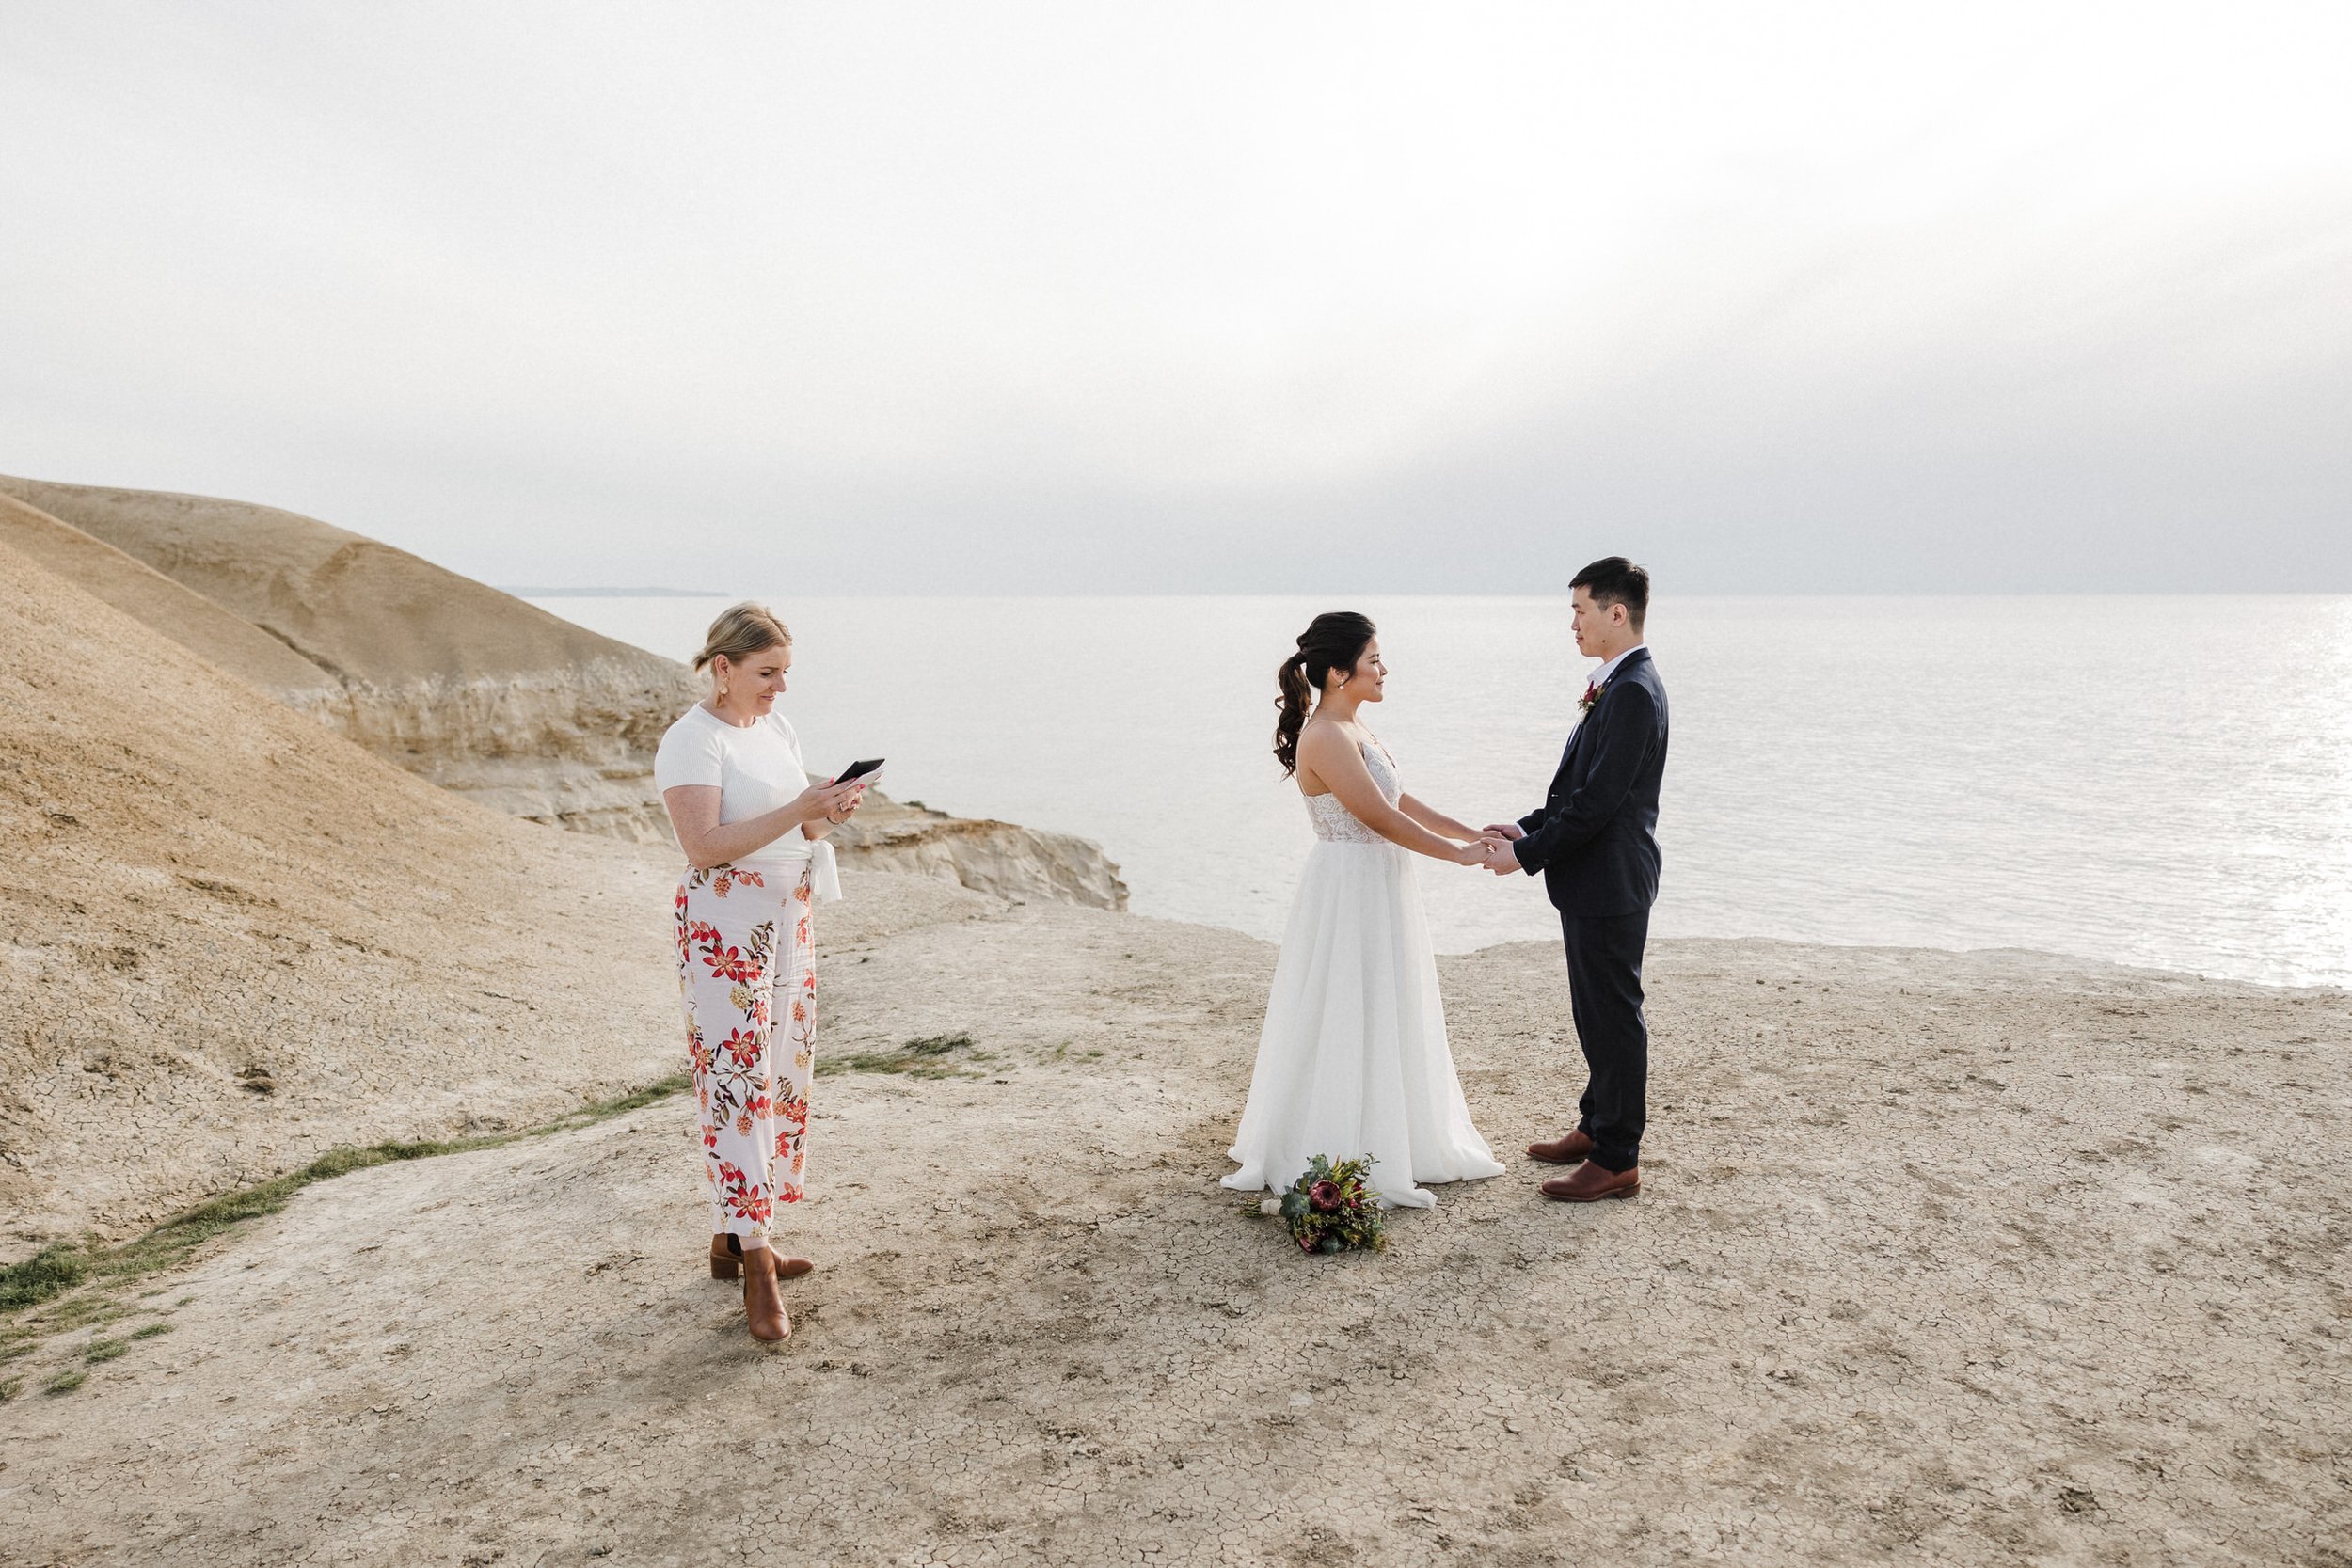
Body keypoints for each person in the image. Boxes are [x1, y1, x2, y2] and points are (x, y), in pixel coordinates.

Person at [1222, 611, 1506, 1210]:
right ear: (1337, 671)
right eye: (1374, 659)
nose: (1384, 669)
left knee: (1386, 1001)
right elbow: (1377, 817)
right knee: (1345, 1003)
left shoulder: (1355, 727)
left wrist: (1469, 832)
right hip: (1349, 885)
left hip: (1378, 880)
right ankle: (1333, 1136)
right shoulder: (1325, 734)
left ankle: (1393, 1129)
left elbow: (1398, 800)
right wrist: (1455, 856)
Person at [656, 602, 868, 1342]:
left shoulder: (775, 729)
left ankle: (734, 1237)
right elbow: (706, 845)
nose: (780, 687)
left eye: (785, 673)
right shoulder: (691, 742)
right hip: (724, 928)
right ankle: (757, 1262)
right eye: (766, 672)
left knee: (778, 1071)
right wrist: (797, 813)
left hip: (789, 920)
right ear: (723, 668)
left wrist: (825, 813)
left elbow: (796, 825)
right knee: (735, 1082)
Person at [1476, 558, 1669, 1202]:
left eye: (1580, 610)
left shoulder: (1635, 692)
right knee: (1593, 1010)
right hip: (1593, 878)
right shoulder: (1614, 686)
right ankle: (1596, 1123)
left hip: (1612, 880)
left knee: (1615, 1015)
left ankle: (1618, 1157)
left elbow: (1597, 806)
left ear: (1618, 613)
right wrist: (1524, 828)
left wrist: (1525, 855)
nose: (1573, 624)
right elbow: (1577, 791)